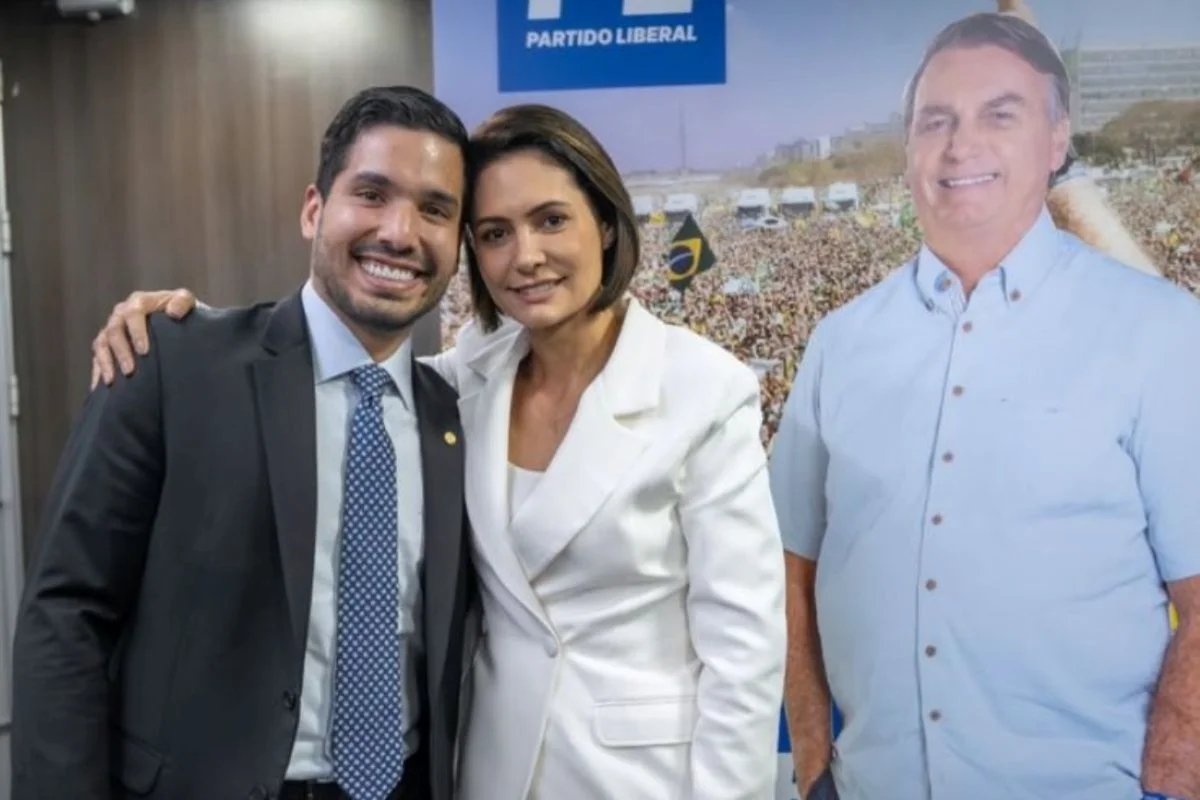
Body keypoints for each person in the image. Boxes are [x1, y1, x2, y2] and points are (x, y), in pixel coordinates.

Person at [88, 104, 788, 798]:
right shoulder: (464, 381)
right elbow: (329, 369)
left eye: (551, 220)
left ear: (605, 223)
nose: (526, 256)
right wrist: (186, 327)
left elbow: (745, 649)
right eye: (495, 233)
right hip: (488, 770)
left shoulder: (701, 388)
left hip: (641, 779)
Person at [769, 11, 1200, 800]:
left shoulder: (1161, 331)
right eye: (936, 121)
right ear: (909, 148)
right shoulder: (840, 344)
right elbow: (792, 570)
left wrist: (1169, 783)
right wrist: (812, 763)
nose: (960, 146)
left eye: (1000, 115)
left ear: (1058, 137)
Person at [12, 85, 476, 800]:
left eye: (435, 210)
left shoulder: (458, 415)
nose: (400, 232)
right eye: (371, 194)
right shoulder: (172, 363)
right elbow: (66, 612)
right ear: (314, 209)